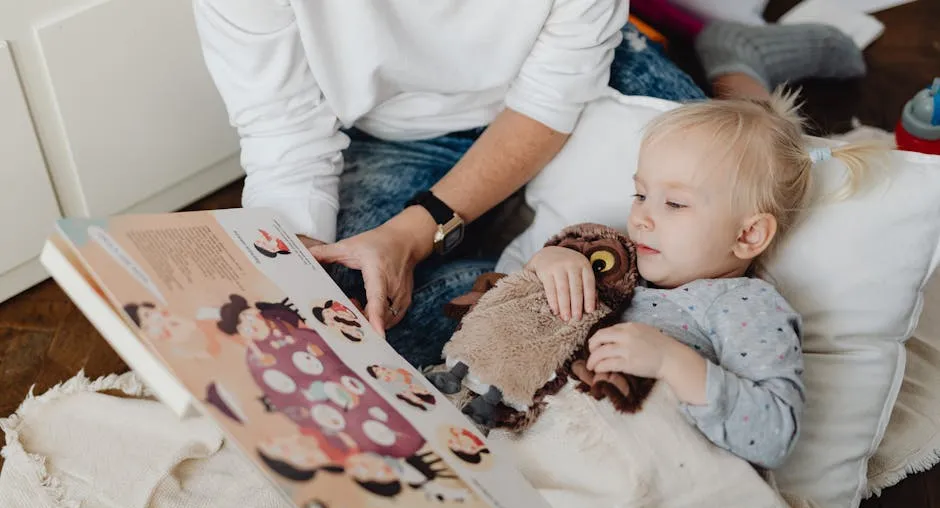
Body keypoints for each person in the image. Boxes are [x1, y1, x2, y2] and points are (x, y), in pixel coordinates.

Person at [192, 1, 864, 368]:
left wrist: (411, 234)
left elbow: (547, 104)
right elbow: (285, 135)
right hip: (387, 135)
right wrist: (286, 276)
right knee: (336, 340)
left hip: (564, 95)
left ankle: (737, 67)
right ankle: (508, 275)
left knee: (717, 245)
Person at [525, 89, 883, 468]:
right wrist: (550, 261)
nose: (642, 217)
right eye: (641, 194)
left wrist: (669, 362)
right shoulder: (618, 260)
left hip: (634, 468)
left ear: (747, 235)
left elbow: (774, 434)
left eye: (675, 204)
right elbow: (510, 316)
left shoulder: (744, 304)